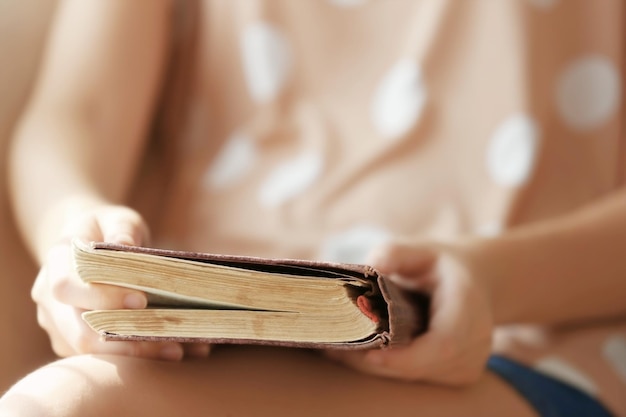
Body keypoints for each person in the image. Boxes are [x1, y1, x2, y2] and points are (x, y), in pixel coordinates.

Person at [1, 0, 625, 416]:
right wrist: (77, 235)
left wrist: (495, 282)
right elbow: (75, 115)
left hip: (525, 345)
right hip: (204, 328)